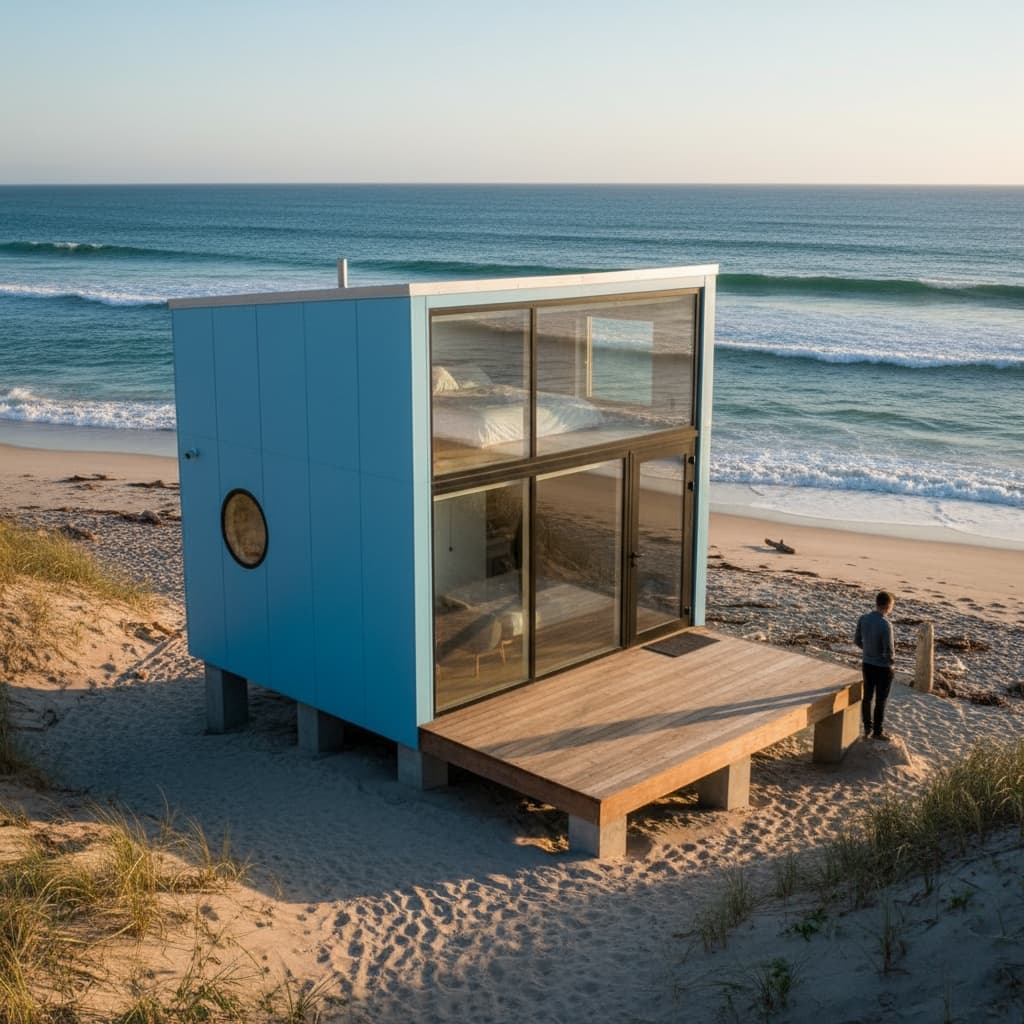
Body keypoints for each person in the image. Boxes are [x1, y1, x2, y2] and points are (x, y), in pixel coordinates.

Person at [854, 590, 896, 741]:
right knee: (880, 700)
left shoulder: (863, 618)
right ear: (888, 606)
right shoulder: (886, 625)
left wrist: (868, 651)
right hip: (882, 667)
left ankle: (867, 728)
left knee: (867, 697)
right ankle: (877, 731)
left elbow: (857, 640)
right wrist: (890, 663)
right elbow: (889, 651)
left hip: (867, 663)